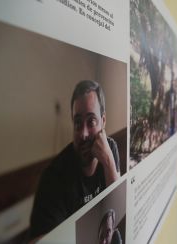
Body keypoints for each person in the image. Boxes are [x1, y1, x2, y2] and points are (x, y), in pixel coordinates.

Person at [29, 80, 121, 241]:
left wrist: (108, 162)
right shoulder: (53, 177)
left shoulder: (110, 149)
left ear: (103, 121)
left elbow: (118, 212)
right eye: (78, 123)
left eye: (91, 121)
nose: (83, 134)